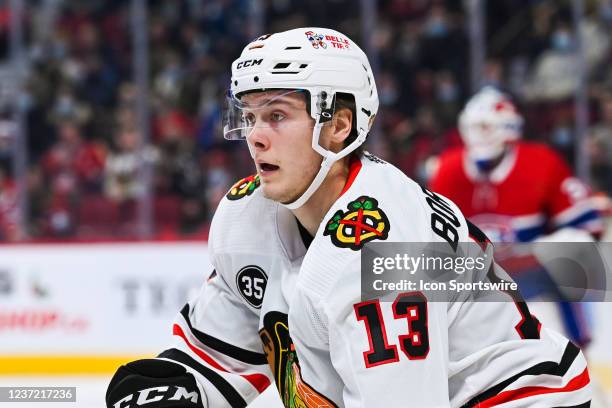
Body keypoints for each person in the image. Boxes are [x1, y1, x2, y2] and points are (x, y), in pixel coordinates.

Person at [106, 28, 592, 408]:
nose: (255, 137)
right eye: (249, 116)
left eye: (276, 115)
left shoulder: (384, 251)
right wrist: (178, 389)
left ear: (339, 125)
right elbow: (217, 356)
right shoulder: (246, 215)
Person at [429, 86, 603, 348]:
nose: (478, 136)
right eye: (473, 127)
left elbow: (588, 225)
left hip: (533, 278)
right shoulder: (448, 168)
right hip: (476, 282)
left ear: (507, 128)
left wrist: (549, 248)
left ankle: (576, 345)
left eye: (485, 127)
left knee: (573, 252)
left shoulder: (540, 162)